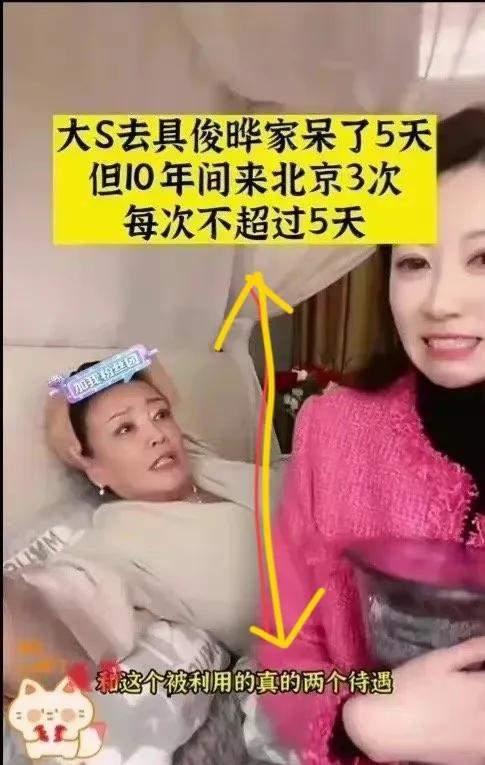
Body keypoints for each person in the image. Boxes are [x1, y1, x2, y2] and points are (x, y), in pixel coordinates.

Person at [257, 106, 485, 765]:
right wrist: (356, 721)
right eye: (412, 262)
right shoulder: (333, 432)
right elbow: (282, 650)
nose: (438, 301)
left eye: (482, 258)